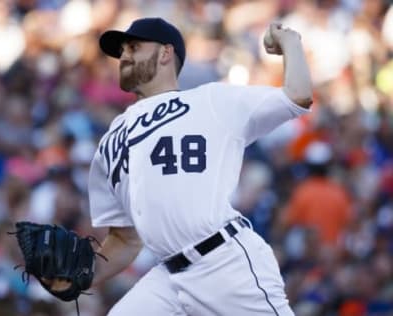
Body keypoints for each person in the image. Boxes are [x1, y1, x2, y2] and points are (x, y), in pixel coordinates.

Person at [52, 17, 313, 315]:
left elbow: (297, 95)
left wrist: (290, 42)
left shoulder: (210, 101)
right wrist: (79, 277)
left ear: (165, 53)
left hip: (224, 263)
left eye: (134, 46)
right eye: (122, 49)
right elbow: (125, 239)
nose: (124, 55)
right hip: (168, 278)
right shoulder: (111, 140)